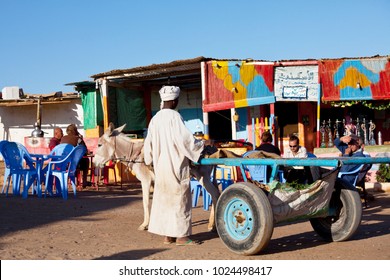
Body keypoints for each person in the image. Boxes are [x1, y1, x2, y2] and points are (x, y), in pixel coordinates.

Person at [143, 85, 205, 246]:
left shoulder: (155, 120)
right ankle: (182, 237)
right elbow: (185, 140)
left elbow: (147, 145)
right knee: (179, 200)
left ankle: (168, 236)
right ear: (175, 100)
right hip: (176, 165)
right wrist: (202, 145)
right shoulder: (175, 117)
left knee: (165, 199)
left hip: (160, 167)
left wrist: (149, 161)